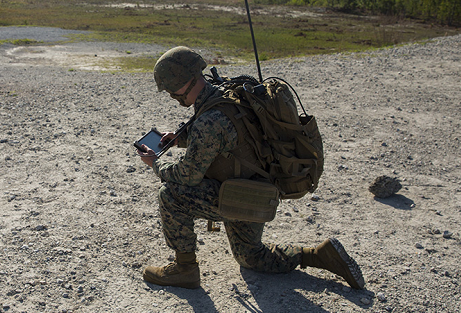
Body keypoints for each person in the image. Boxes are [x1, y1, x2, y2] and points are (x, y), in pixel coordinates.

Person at [136, 46, 365, 290]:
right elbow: (228, 135)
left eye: (172, 89)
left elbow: (188, 175)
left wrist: (156, 163)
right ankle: (317, 254)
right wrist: (180, 138)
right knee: (251, 257)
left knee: (171, 194)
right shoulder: (226, 92)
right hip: (257, 190)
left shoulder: (209, 121)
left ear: (186, 81)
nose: (172, 95)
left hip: (238, 196)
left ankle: (185, 270)